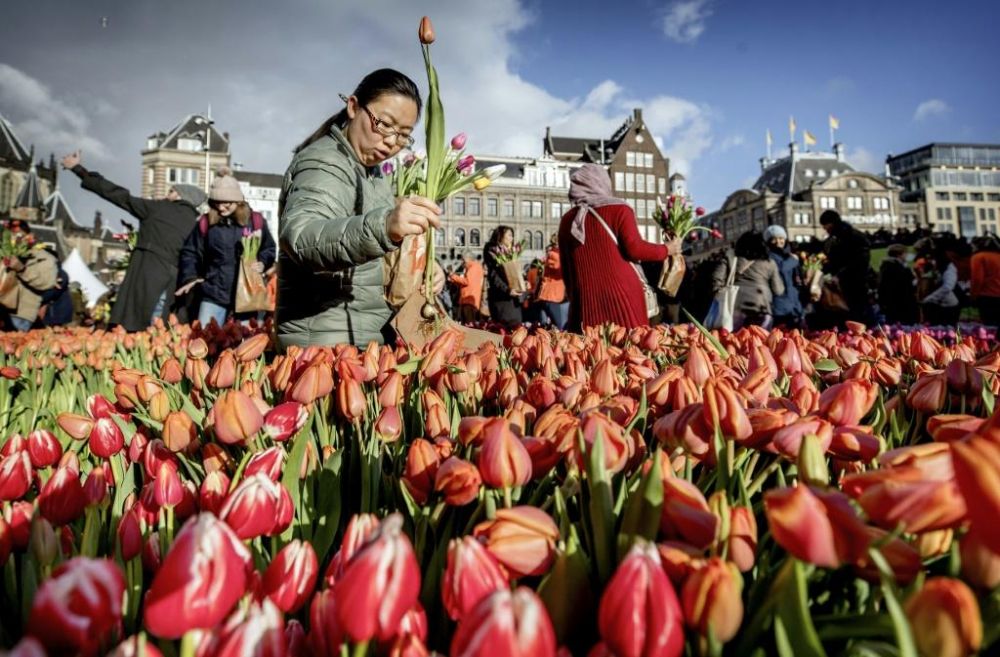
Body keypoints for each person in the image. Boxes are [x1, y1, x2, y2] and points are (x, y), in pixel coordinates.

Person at [277, 68, 443, 347]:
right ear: (353, 107)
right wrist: (384, 226)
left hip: (360, 337)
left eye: (404, 134)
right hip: (325, 344)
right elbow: (302, 238)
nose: (391, 141)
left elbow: (374, 253)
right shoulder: (325, 164)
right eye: (384, 124)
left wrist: (424, 266)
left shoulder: (372, 173)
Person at [61, 151, 204, 331]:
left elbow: (118, 196)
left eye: (171, 191)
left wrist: (78, 169)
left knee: (137, 329)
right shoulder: (198, 224)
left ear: (180, 196)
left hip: (146, 279)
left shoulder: (158, 209)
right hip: (172, 288)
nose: (166, 195)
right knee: (159, 332)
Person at [558, 164, 679, 331]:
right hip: (623, 296)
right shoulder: (619, 209)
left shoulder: (567, 221)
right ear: (602, 182)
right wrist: (667, 249)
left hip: (586, 299)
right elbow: (635, 249)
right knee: (629, 349)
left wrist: (575, 296)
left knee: (588, 353)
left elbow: (566, 267)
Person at [176, 170, 276, 327]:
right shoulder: (206, 222)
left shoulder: (255, 221)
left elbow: (268, 248)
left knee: (244, 345)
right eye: (216, 203)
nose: (221, 208)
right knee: (204, 340)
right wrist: (191, 277)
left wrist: (263, 263)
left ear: (238, 201)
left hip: (247, 295)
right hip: (213, 293)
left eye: (226, 203)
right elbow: (190, 252)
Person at [0, 224, 59, 332]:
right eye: (11, 235)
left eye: (19, 235)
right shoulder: (3, 252)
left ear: (30, 236)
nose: (15, 239)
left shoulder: (44, 258)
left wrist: (22, 269)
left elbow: (46, 282)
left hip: (20, 315)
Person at [819, 209, 871, 323]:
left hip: (854, 282)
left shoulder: (853, 237)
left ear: (831, 223)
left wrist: (840, 274)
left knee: (856, 313)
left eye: (825, 225)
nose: (824, 228)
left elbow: (860, 261)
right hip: (841, 282)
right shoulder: (835, 239)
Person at [733, 231, 784, 329]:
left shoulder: (734, 261)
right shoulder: (769, 263)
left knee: (736, 339)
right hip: (761, 304)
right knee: (761, 339)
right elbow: (779, 290)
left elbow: (717, 280)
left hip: (736, 304)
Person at [483, 226, 523, 329]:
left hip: (513, 298)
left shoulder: (511, 252)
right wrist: (507, 290)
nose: (512, 238)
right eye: (509, 235)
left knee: (516, 327)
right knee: (504, 328)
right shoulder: (492, 250)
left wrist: (522, 282)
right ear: (500, 235)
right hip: (501, 297)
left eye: (512, 236)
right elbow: (493, 275)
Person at [764, 225, 803, 328]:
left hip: (794, 301)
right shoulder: (768, 256)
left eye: (781, 238)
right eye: (774, 239)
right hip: (780, 303)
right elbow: (781, 269)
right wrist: (794, 260)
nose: (778, 241)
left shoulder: (788, 254)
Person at [920, 241, 960, 325]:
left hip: (949, 305)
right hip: (939, 303)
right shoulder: (939, 269)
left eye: (932, 259)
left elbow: (947, 287)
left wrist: (930, 298)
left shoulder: (949, 269)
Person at [878, 244, 918, 325]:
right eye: (905, 253)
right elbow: (907, 283)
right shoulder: (898, 267)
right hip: (901, 301)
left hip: (891, 301)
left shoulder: (886, 266)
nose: (907, 255)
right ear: (899, 254)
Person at [536, 234, 568, 329]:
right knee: (561, 327)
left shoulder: (556, 253)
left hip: (554, 295)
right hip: (552, 296)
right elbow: (560, 269)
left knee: (556, 327)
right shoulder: (554, 254)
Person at [970, 234, 1000, 326]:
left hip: (987, 297)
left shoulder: (979, 257)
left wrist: (973, 296)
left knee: (990, 328)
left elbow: (977, 279)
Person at [448, 252, 484, 324]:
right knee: (466, 323)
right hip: (467, 299)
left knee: (469, 323)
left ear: (467, 259)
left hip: (469, 299)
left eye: (462, 260)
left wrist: (453, 276)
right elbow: (465, 284)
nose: (462, 262)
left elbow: (467, 282)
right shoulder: (474, 267)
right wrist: (454, 280)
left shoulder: (473, 267)